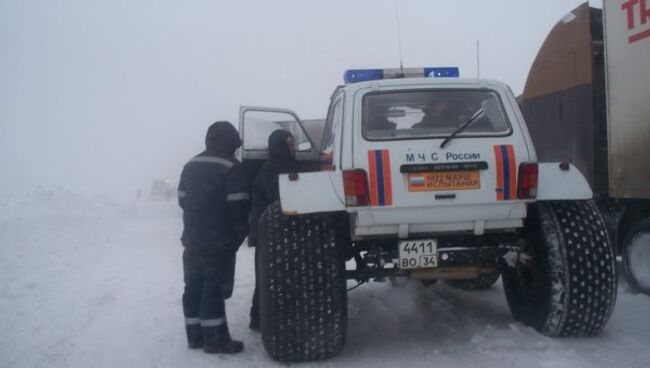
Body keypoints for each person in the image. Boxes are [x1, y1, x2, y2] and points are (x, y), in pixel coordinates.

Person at [177, 121, 250, 354]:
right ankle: (216, 340)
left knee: (193, 286)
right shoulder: (232, 166)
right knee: (213, 289)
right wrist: (239, 233)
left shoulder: (190, 165)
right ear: (230, 142)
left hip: (192, 239)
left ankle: (195, 337)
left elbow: (182, 200)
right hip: (218, 240)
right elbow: (239, 206)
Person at [247, 129, 296, 331]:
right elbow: (281, 198)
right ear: (281, 145)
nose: (294, 148)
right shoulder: (276, 168)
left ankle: (259, 318)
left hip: (270, 232)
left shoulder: (275, 166)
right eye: (291, 143)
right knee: (268, 277)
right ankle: (260, 319)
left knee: (267, 276)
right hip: (269, 232)